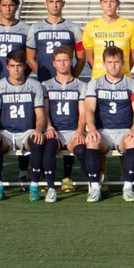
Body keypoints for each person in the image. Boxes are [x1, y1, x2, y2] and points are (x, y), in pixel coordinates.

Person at [26, 0, 85, 190]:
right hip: (46, 86)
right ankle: (43, 175)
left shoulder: (73, 28)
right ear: (45, 3)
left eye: (58, 1)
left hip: (67, 84)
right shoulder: (35, 28)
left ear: (63, 3)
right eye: (51, 1)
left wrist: (72, 77)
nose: (54, 5)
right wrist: (43, 75)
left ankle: (67, 176)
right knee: (45, 127)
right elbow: (30, 57)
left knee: (70, 122)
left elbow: (81, 57)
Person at [0, 49, 51, 202]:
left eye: (19, 66)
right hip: (6, 133)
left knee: (37, 140)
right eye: (13, 65)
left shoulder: (34, 86)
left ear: (25, 66)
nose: (16, 69)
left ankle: (34, 186)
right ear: (7, 66)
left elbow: (40, 114)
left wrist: (38, 129)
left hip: (27, 131)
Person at [84, 45, 134, 201]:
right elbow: (89, 110)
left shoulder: (132, 84)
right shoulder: (95, 83)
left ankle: (128, 188)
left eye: (116, 62)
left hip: (124, 131)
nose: (113, 65)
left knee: (132, 141)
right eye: (109, 62)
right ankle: (95, 188)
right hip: (102, 131)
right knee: (91, 141)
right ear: (103, 64)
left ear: (122, 62)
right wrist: (91, 129)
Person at [0, 0, 31, 183]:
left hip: (19, 85)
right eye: (4, 5)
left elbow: (29, 58)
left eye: (11, 5)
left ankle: (23, 171)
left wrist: (21, 79)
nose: (8, 9)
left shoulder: (25, 29)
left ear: (17, 6)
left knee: (21, 125)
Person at [43, 45, 89, 194]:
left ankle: (92, 183)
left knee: (81, 149)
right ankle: (49, 185)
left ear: (71, 62)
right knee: (49, 146)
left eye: (65, 60)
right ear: (54, 63)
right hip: (54, 131)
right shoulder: (46, 86)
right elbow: (44, 112)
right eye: (59, 60)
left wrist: (80, 131)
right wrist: (49, 127)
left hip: (72, 131)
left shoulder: (81, 86)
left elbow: (83, 113)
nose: (62, 63)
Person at [82, 0, 134, 80]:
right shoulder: (91, 26)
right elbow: (89, 57)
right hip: (99, 78)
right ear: (100, 4)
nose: (109, 5)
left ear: (118, 4)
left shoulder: (130, 25)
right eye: (105, 2)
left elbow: (133, 56)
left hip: (123, 78)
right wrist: (100, 69)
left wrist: (123, 69)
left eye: (112, 1)